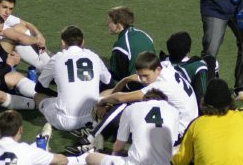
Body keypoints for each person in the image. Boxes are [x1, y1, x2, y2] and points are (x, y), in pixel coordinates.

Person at [71, 51, 199, 154]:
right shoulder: (166, 67)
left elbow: (120, 99)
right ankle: (100, 133)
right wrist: (126, 80)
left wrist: (102, 102)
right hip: (184, 126)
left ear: (158, 70)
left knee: (125, 107)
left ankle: (90, 142)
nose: (143, 80)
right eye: (140, 76)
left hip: (179, 135)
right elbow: (133, 82)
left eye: (146, 76)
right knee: (129, 103)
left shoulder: (163, 84)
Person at [68, 90, 180, 165]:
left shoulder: (133, 108)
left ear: (144, 99)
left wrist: (117, 155)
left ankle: (73, 162)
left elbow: (118, 148)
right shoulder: (174, 111)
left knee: (90, 157)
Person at [35, 25, 111, 131]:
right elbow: (108, 82)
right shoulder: (93, 56)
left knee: (38, 96)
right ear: (82, 42)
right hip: (92, 116)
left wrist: (58, 95)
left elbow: (39, 88)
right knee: (109, 92)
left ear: (63, 42)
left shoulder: (57, 58)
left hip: (66, 122)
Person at [160, 31, 214, 107]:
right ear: (188, 49)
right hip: (190, 112)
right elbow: (201, 97)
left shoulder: (161, 64)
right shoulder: (197, 66)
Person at [106, 6, 155, 84]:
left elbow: (117, 76)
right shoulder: (145, 35)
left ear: (118, 25)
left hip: (134, 86)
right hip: (153, 80)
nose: (107, 23)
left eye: (110, 21)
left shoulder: (120, 45)